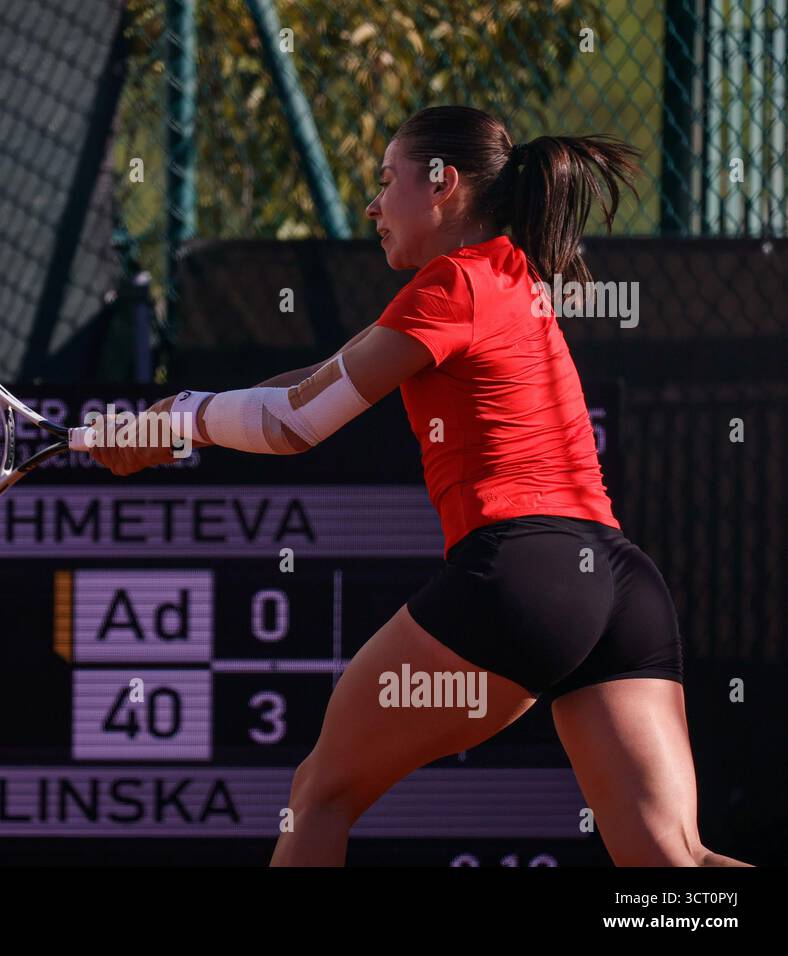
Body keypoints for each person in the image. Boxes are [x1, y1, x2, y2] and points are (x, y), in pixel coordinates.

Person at [87, 106, 748, 867]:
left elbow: (296, 424)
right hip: (619, 589)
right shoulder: (506, 279)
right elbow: (310, 386)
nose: (372, 205)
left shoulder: (454, 284)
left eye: (385, 180)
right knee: (676, 867)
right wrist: (166, 429)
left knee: (319, 795)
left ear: (443, 186)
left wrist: (182, 414)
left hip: (523, 575)